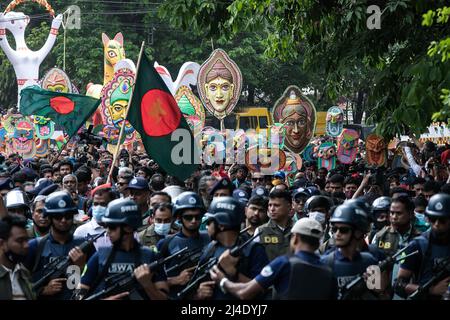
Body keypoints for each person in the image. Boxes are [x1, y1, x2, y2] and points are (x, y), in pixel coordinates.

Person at [210, 218, 338, 300]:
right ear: (317, 243)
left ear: (296, 238)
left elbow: (244, 293)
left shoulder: (284, 263)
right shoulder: (329, 271)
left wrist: (222, 280)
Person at [77, 198, 169, 300]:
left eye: (112, 227)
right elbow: (79, 294)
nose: (107, 232)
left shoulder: (151, 256)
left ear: (128, 227)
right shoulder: (100, 256)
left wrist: (147, 284)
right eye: (106, 226)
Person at [194, 197, 268, 300]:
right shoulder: (210, 248)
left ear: (221, 225)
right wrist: (199, 294)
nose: (207, 227)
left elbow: (262, 291)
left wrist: (233, 273)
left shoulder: (253, 250)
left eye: (209, 222)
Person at [25, 191, 87, 300]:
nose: (63, 220)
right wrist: (42, 290)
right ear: (50, 217)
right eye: (58, 216)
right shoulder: (35, 246)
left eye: (67, 216)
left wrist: (80, 268)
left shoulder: (84, 245)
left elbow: (93, 284)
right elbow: (16, 284)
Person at [321, 202, 389, 300]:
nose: (337, 234)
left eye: (343, 230)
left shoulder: (369, 260)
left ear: (358, 232)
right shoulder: (325, 263)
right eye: (335, 229)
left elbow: (381, 295)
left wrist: (379, 289)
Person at [394, 193, 450, 300]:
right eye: (433, 219)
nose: (437, 224)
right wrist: (430, 290)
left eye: (442, 220)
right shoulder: (417, 245)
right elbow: (398, 285)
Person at [156, 191, 209, 299]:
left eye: (197, 217)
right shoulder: (166, 243)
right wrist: (176, 280)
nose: (193, 221)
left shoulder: (209, 238)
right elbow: (152, 282)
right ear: (179, 218)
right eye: (188, 217)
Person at [0, 215, 34, 300]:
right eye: (20, 241)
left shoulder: (24, 274)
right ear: (2, 244)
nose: (26, 245)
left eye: (27, 240)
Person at [255, 190, 293, 261]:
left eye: (276, 205)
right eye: (270, 205)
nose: (272, 209)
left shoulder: (298, 229)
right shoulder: (261, 231)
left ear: (288, 207)